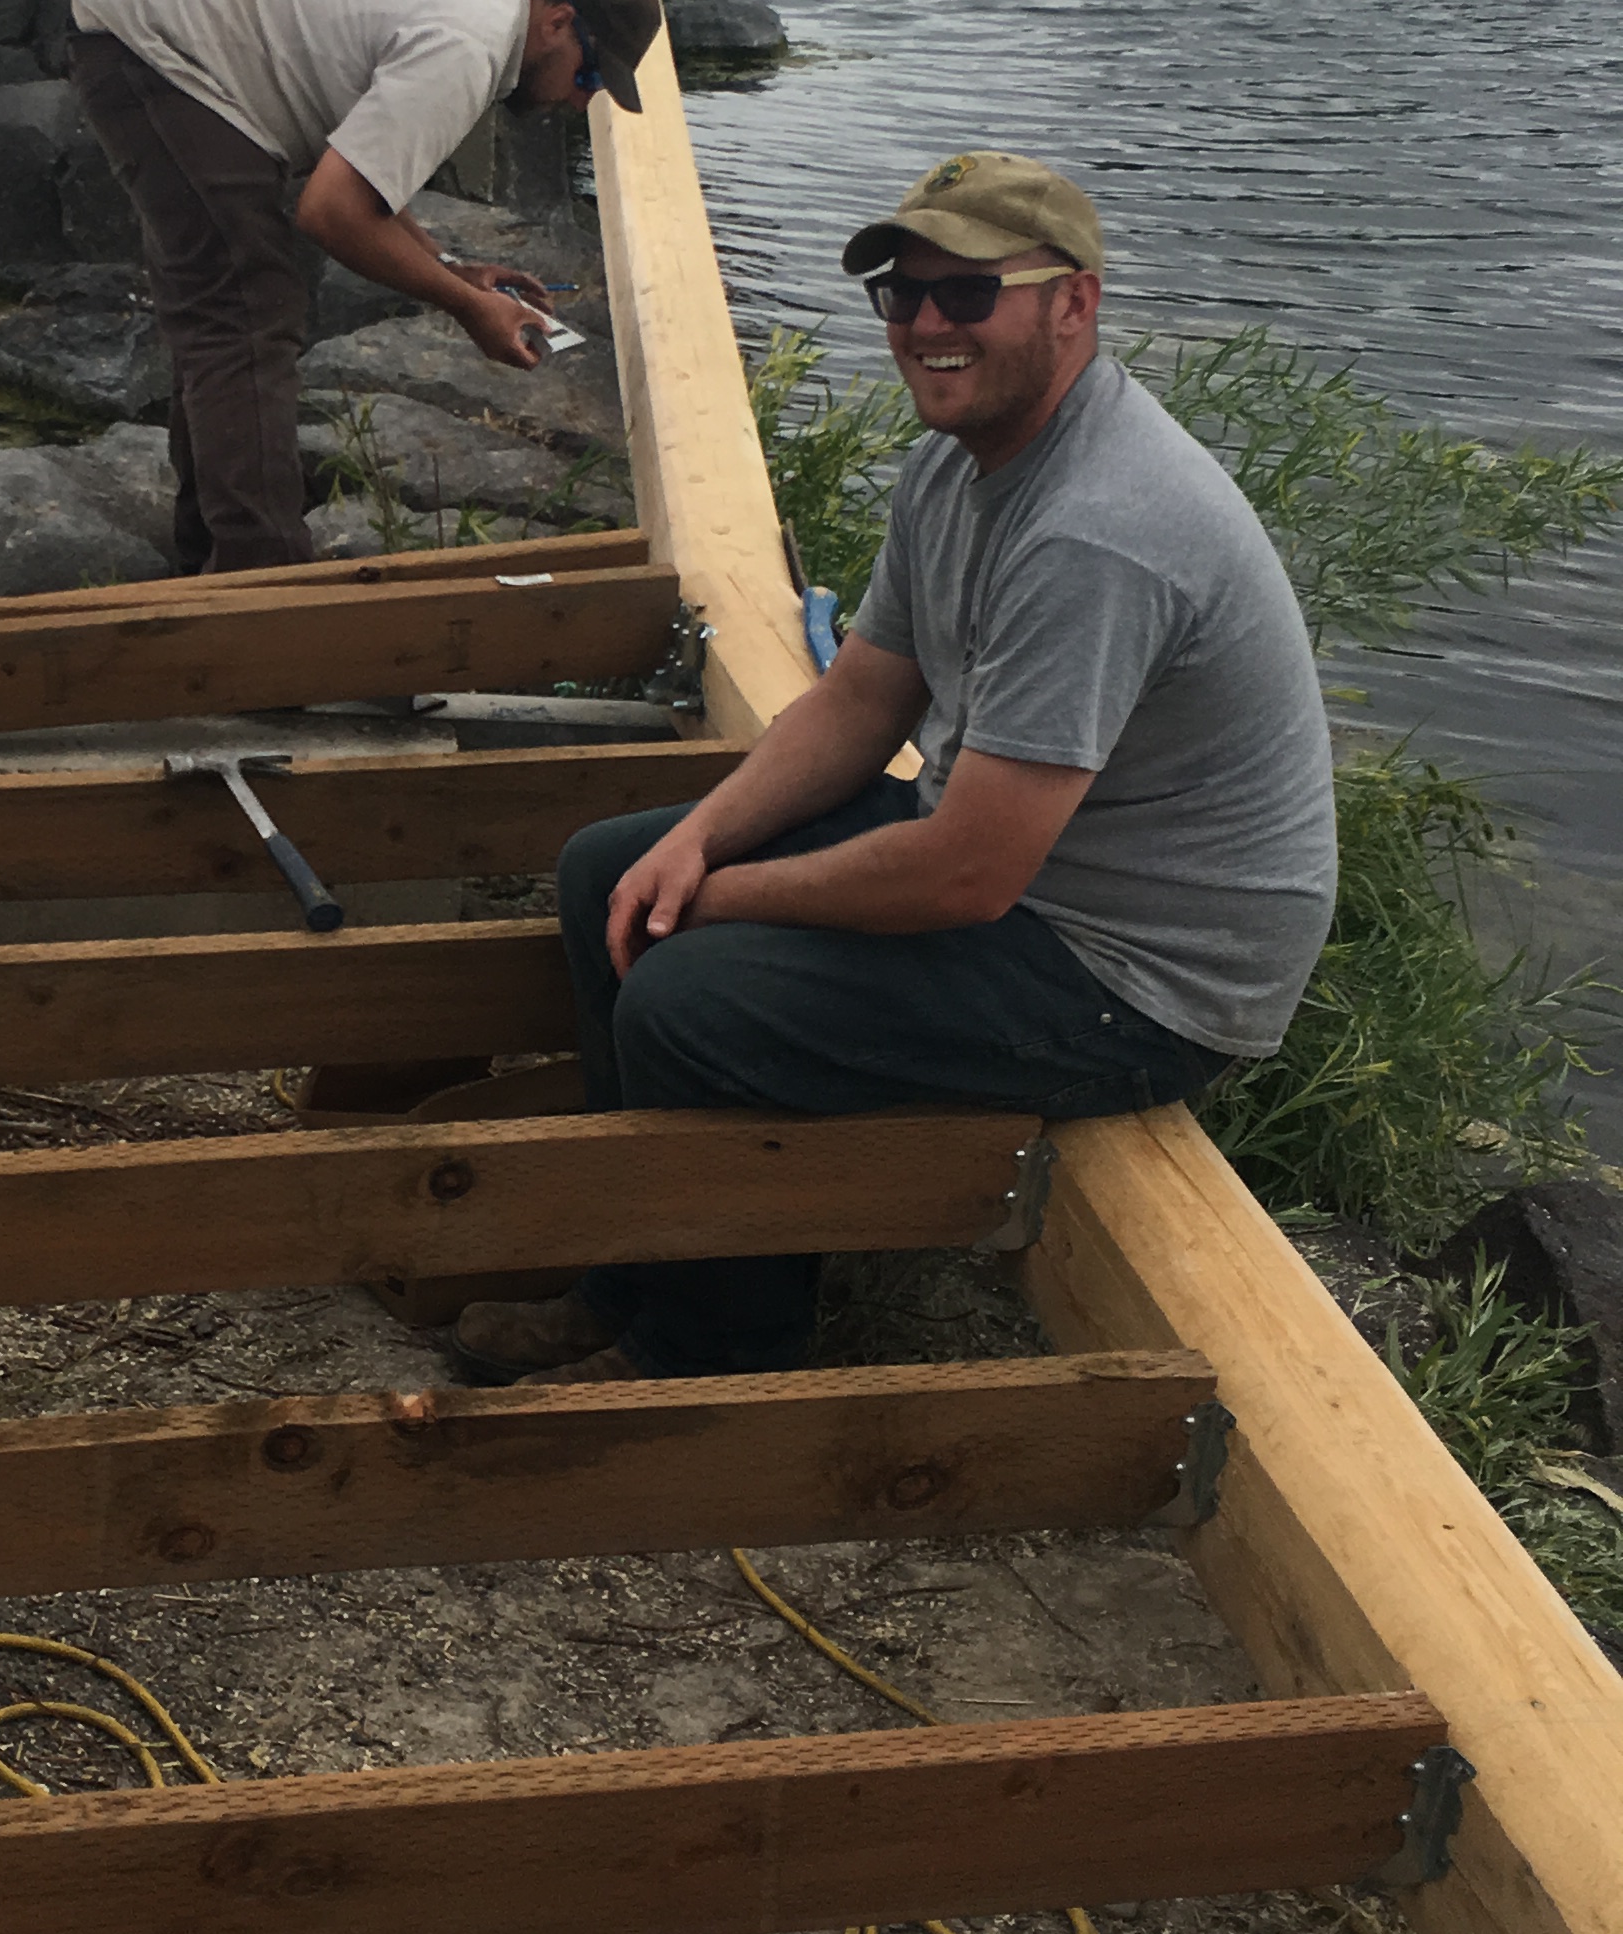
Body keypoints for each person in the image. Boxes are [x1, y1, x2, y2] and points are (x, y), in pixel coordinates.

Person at [455, 149, 1337, 1383]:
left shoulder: (1103, 529)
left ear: (1073, 304)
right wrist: (693, 843)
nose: (926, 323)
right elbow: (867, 690)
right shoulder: (958, 459)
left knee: (692, 1000)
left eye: (969, 294)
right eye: (902, 293)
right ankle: (636, 1273)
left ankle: (714, 1355)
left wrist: (716, 902)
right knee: (608, 868)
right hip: (1033, 878)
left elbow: (965, 876)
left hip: (1141, 976)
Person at [65, 0, 662, 572]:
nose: (580, 100)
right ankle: (264, 583)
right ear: (558, 22)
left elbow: (362, 170)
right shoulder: (468, 44)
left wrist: (448, 267)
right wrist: (469, 309)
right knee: (245, 310)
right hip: (158, 43)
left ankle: (215, 558)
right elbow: (330, 214)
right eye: (590, 76)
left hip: (167, 27)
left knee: (223, 310)